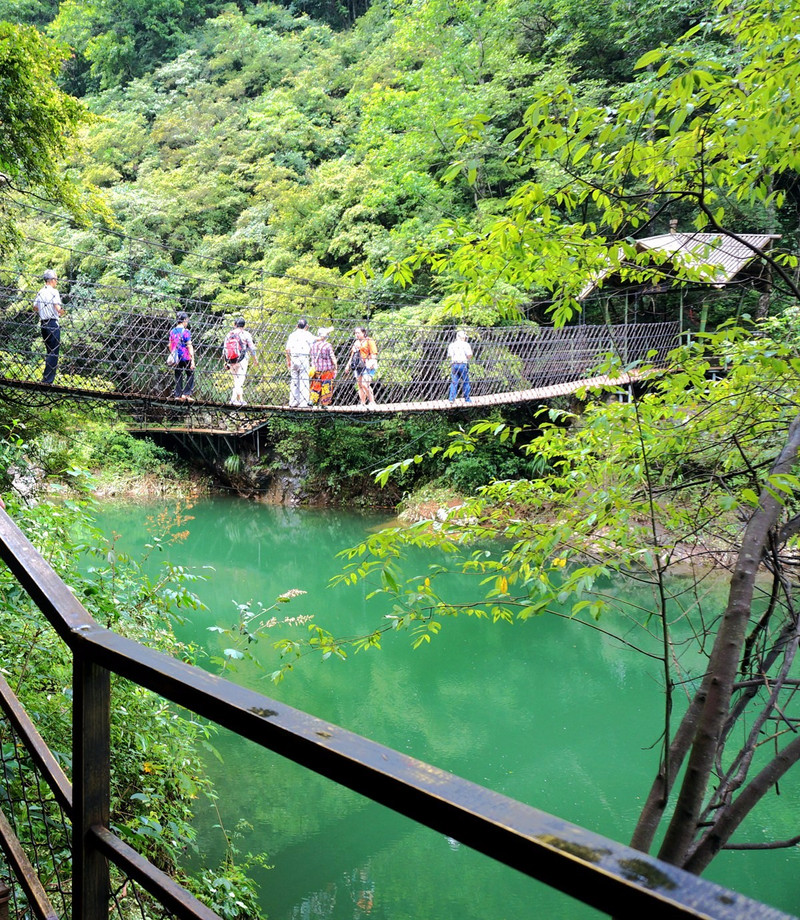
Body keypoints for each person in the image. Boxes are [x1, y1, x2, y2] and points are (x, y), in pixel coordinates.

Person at [33, 269, 64, 384]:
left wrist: (44, 309)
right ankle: (48, 380)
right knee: (54, 352)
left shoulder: (40, 292)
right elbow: (57, 308)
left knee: (49, 351)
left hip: (43, 324)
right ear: (51, 280)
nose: (56, 281)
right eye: (56, 279)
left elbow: (35, 307)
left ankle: (46, 378)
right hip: (52, 323)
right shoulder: (54, 292)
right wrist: (62, 312)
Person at [224, 317, 257, 406]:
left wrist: (225, 362)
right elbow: (252, 348)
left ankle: (241, 400)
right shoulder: (246, 334)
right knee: (240, 380)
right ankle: (233, 399)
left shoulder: (229, 334)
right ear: (244, 326)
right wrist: (255, 359)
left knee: (236, 380)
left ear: (235, 325)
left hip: (231, 360)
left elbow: (225, 349)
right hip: (242, 359)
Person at [285, 318, 316, 407]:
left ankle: (293, 402)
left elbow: (287, 349)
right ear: (306, 326)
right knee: (304, 380)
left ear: (297, 326)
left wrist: (288, 361)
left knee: (294, 380)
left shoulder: (292, 335)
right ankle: (303, 403)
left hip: (293, 358)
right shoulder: (308, 334)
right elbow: (315, 341)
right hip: (303, 358)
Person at [169, 311, 195, 401]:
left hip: (177, 357)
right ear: (184, 320)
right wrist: (192, 360)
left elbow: (170, 345)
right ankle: (186, 394)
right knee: (190, 373)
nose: (187, 322)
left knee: (178, 375)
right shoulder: (186, 331)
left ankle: (178, 395)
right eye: (186, 320)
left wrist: (173, 354)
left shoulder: (172, 331)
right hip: (186, 356)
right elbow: (189, 345)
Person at [309, 327, 337, 407]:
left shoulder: (313, 346)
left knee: (315, 385)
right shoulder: (328, 345)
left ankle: (312, 400)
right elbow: (332, 357)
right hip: (327, 371)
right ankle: (324, 403)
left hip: (316, 370)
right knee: (326, 386)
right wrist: (335, 367)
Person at [350, 326, 378, 407]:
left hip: (368, 364)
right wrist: (348, 365)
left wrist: (372, 362)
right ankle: (362, 403)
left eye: (358, 333)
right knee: (360, 385)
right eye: (355, 333)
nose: (356, 335)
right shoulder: (356, 343)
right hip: (358, 365)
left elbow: (373, 352)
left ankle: (372, 402)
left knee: (365, 384)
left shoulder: (369, 341)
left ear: (363, 333)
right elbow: (352, 355)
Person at [448, 330, 473, 403]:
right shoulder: (466, 344)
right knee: (466, 381)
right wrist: (466, 358)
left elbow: (450, 355)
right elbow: (469, 355)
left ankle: (451, 399)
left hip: (454, 364)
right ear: (461, 337)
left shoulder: (451, 345)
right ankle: (467, 399)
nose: (465, 338)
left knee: (454, 382)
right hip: (463, 364)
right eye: (464, 337)